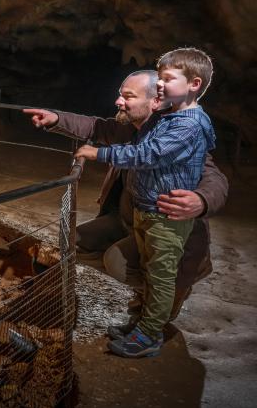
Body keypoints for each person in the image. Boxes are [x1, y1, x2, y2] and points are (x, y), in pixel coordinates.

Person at [24, 65, 228, 347]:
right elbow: (96, 126)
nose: (118, 102)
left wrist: (202, 200)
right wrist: (55, 118)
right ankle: (147, 285)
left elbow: (213, 176)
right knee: (73, 242)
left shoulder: (178, 135)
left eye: (128, 96)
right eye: (120, 95)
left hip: (164, 229)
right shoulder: (130, 129)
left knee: (121, 263)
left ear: (155, 101)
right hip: (127, 219)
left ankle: (157, 299)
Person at [73, 48, 217, 357]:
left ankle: (149, 334)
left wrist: (98, 154)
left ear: (193, 84)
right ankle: (141, 321)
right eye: (160, 78)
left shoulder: (187, 126)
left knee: (160, 275)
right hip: (147, 212)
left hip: (166, 218)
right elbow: (109, 129)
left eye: (167, 79)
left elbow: (145, 155)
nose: (161, 85)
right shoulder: (169, 119)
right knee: (152, 271)